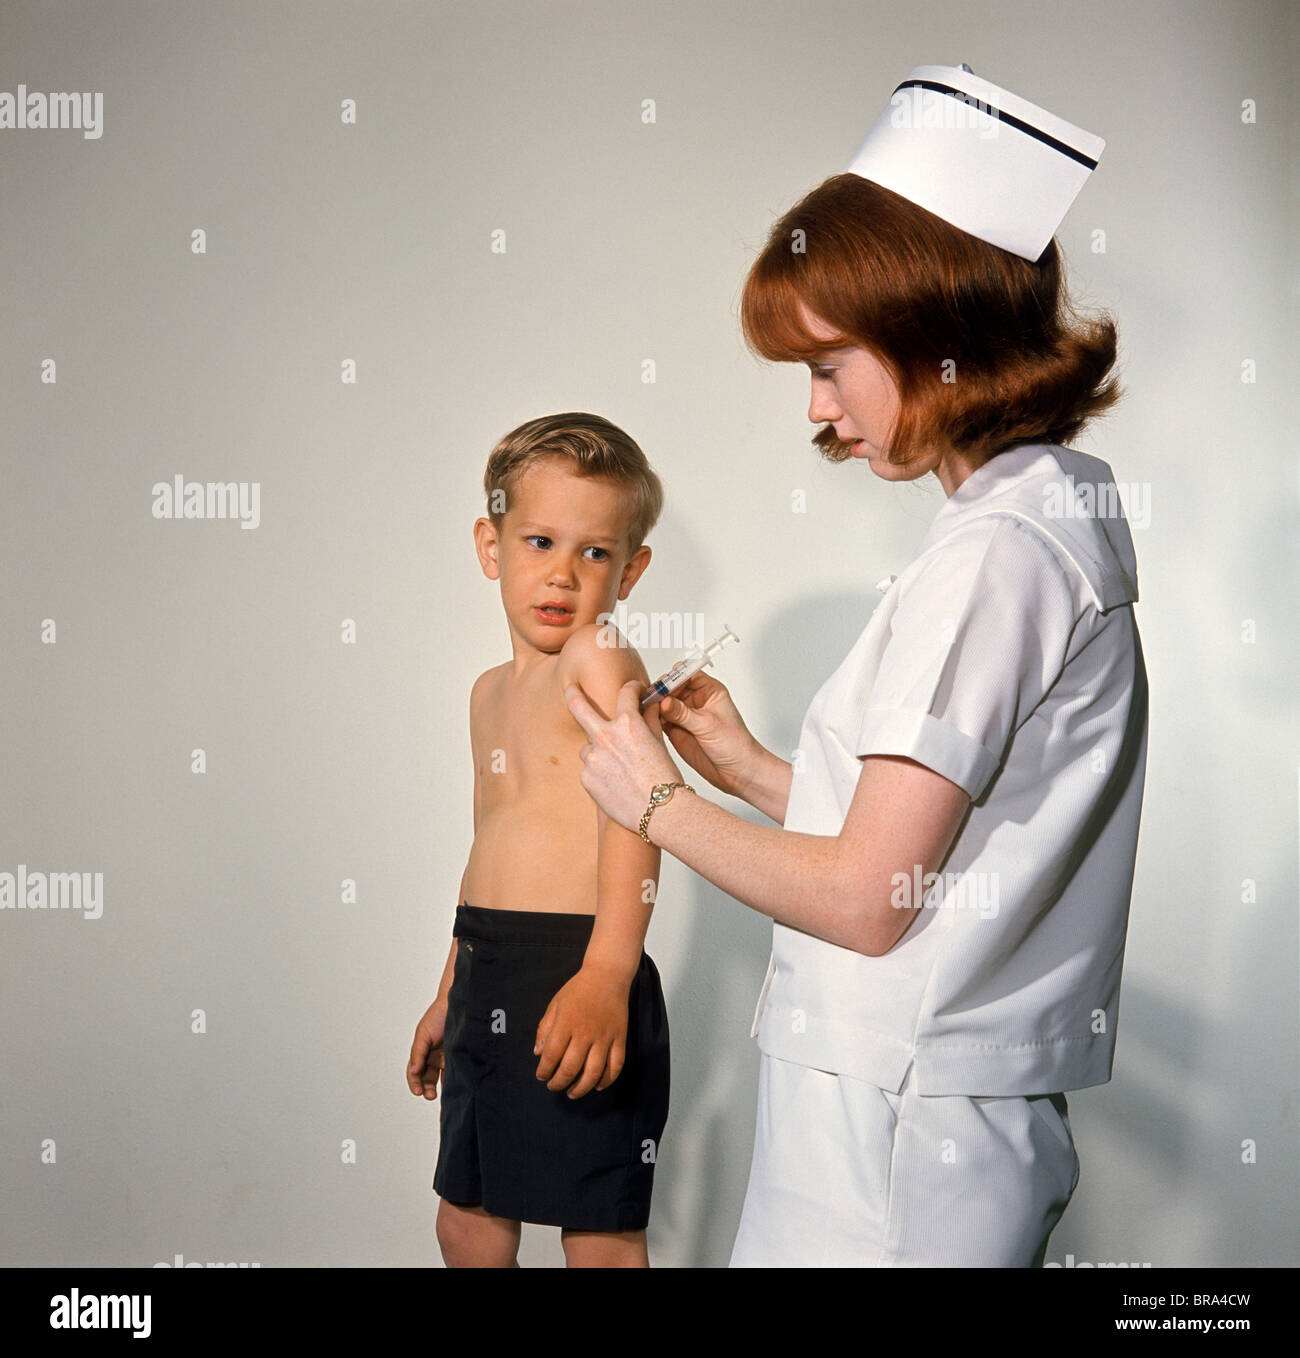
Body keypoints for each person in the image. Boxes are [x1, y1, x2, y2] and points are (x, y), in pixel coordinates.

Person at [563, 65, 1148, 1266]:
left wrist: (655, 803)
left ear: (934, 337)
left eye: (829, 365)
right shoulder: (1036, 518)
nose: (818, 413)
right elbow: (936, 844)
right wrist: (751, 770)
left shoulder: (998, 554)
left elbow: (867, 901)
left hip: (897, 1131)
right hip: (905, 1103)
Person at [405, 412, 671, 1268]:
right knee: (468, 1222)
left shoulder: (597, 656)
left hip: (579, 963)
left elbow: (640, 813)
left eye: (594, 553)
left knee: (595, 1233)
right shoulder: (487, 692)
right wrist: (453, 984)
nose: (562, 573)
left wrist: (607, 973)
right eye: (540, 541)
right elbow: (490, 842)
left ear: (631, 570)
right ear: (492, 545)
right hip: (490, 959)